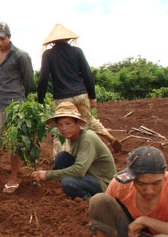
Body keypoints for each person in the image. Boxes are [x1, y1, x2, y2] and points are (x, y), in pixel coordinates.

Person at [36, 23, 122, 153]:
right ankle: (108, 136)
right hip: (80, 94)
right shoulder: (77, 51)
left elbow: (43, 79)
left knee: (60, 129)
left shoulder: (48, 55)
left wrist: (40, 101)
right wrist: (92, 97)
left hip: (61, 98)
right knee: (87, 120)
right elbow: (87, 75)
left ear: (52, 42)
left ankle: (61, 159)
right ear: (68, 38)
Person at [30, 102, 116, 200]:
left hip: (104, 185)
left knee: (68, 182)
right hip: (90, 174)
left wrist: (47, 175)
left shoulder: (87, 138)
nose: (64, 129)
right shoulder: (75, 138)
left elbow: (79, 170)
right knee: (62, 157)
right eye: (60, 125)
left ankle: (88, 199)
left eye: (68, 124)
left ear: (77, 123)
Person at [0, 22, 33, 193]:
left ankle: (14, 176)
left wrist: (20, 100)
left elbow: (28, 81)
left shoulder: (21, 56)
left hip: (15, 103)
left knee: (15, 141)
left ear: (9, 37)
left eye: (2, 38)